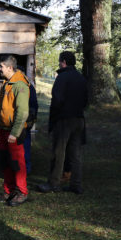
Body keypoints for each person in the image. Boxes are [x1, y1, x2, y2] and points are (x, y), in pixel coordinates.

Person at [35, 51, 87, 194]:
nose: (59, 63)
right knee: (76, 154)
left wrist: (54, 120)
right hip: (79, 118)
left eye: (59, 61)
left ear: (63, 62)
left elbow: (56, 100)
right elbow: (85, 100)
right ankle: (76, 184)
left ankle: (53, 183)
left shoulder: (62, 77)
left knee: (59, 152)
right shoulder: (81, 78)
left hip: (64, 119)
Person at [0, 55, 30, 207]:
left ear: (9, 67)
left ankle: (22, 192)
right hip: (3, 129)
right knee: (5, 161)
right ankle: (8, 190)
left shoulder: (20, 85)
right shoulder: (6, 83)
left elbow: (23, 112)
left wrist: (15, 133)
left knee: (17, 163)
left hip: (14, 131)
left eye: (1, 66)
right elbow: (0, 106)